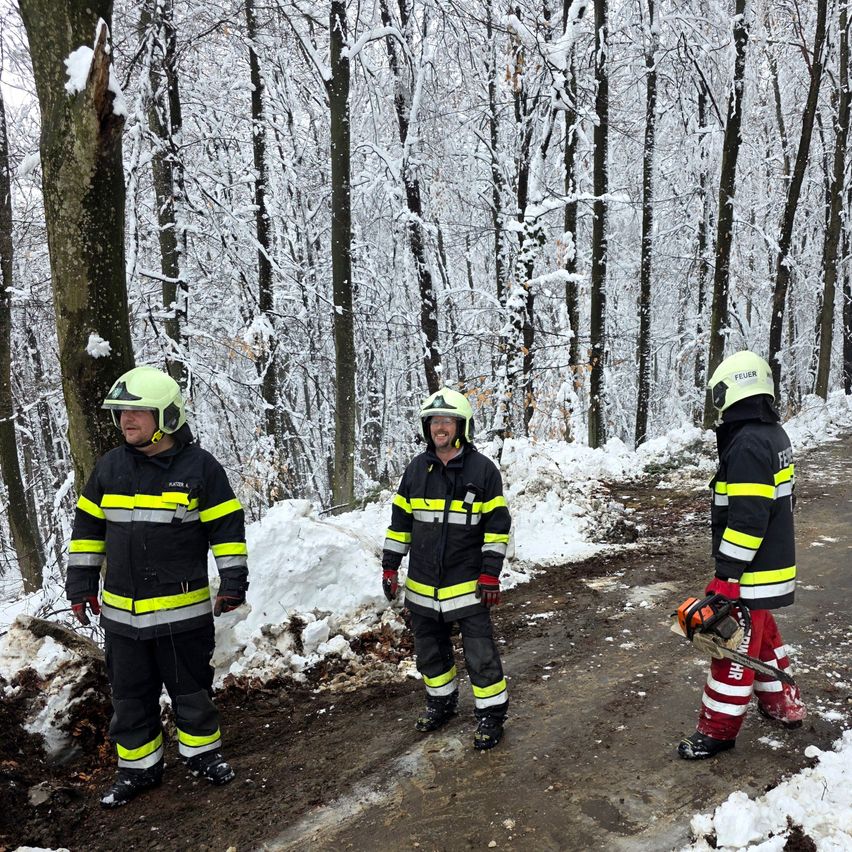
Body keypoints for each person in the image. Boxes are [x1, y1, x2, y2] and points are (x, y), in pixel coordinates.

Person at [66, 365, 249, 806]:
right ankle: (139, 770)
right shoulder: (110, 467)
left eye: (137, 413)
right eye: (121, 413)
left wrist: (233, 582)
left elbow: (226, 530)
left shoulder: (200, 468)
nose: (126, 421)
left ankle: (203, 755)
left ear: (166, 416)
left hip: (181, 615)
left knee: (191, 690)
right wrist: (81, 584)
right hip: (122, 618)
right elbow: (88, 528)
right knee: (130, 698)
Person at [678, 350, 806, 759]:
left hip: (751, 571)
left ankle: (717, 731)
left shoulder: (749, 443)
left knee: (731, 648)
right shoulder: (772, 434)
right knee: (763, 637)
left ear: (734, 389)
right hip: (771, 565)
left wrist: (727, 577)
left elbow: (749, 520)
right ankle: (782, 703)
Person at [381, 388, 511, 750]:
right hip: (422, 586)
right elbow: (399, 525)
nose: (440, 428)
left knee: (480, 654)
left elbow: (497, 529)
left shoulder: (483, 471)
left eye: (447, 421)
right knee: (429, 651)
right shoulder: (415, 470)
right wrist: (390, 566)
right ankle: (441, 702)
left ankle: (490, 715)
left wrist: (490, 574)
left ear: (461, 426)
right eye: (434, 421)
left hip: (467, 584)